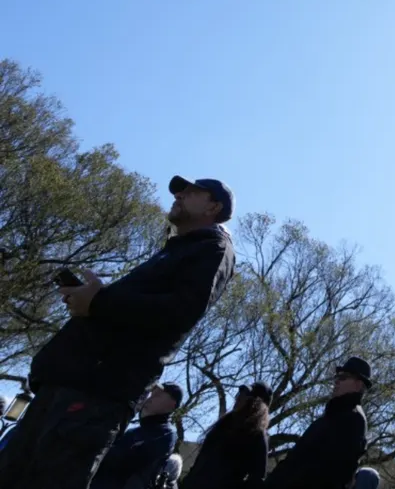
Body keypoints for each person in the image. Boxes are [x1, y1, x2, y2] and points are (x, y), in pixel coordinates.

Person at [0, 175, 237, 489]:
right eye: (180, 190)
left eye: (192, 191)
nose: (179, 195)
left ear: (214, 206)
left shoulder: (214, 249)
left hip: (97, 390)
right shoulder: (177, 249)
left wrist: (99, 301)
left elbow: (179, 311)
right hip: (69, 382)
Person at [264, 357, 370, 489]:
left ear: (358, 385)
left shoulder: (353, 420)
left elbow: (336, 472)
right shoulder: (331, 416)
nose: (337, 381)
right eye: (337, 377)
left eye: (344, 377)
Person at [89, 382, 182, 489]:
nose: (150, 398)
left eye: (158, 395)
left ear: (171, 404)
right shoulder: (133, 432)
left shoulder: (166, 433)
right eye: (152, 394)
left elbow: (127, 463)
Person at [181, 381, 272, 489]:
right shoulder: (223, 424)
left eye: (245, 395)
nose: (239, 397)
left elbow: (257, 479)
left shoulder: (257, 435)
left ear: (257, 404)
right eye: (240, 393)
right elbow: (201, 461)